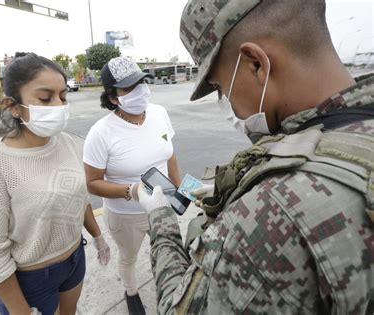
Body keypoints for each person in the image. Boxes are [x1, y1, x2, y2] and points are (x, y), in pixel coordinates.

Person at [138, 0, 374, 314]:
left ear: (256, 64)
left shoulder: (272, 211)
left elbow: (176, 309)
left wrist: (161, 219)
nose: (227, 104)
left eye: (221, 87)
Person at [0, 53, 110, 315]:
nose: (58, 105)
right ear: (13, 106)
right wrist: (21, 311)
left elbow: (78, 197)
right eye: (45, 98)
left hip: (74, 257)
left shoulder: (68, 143)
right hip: (30, 279)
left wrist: (97, 236)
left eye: (63, 96)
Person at [83, 57, 181, 314]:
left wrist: (179, 190)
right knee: (129, 257)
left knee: (167, 251)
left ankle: (170, 286)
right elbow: (92, 183)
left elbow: (170, 154)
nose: (140, 91)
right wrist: (131, 191)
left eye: (141, 82)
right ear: (113, 98)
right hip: (126, 215)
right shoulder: (101, 133)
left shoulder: (159, 113)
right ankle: (131, 291)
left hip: (163, 205)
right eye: (129, 88)